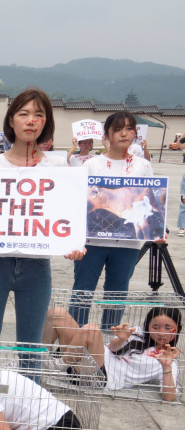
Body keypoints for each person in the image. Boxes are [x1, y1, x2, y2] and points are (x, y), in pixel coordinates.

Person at [0, 89, 84, 347]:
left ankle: (29, 388)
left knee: (31, 349)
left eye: (38, 114)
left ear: (47, 122)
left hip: (37, 268)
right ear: (11, 120)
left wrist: (74, 242)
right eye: (24, 114)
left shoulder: (58, 169)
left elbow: (64, 215)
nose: (31, 120)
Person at [69, 111, 156, 328]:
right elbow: (78, 202)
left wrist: (155, 229)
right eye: (117, 129)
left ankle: (107, 346)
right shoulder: (91, 164)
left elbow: (150, 200)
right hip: (92, 242)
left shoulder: (142, 165)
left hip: (128, 242)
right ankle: (73, 343)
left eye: (129, 128)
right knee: (82, 292)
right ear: (106, 135)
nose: (124, 134)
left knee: (116, 295)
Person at [42, 305, 180, 401]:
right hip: (89, 356)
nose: (161, 332)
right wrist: (121, 339)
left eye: (168, 328)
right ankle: (35, 357)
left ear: (177, 329)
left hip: (98, 376)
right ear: (148, 325)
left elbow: (169, 397)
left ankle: (58, 366)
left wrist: (166, 366)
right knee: (57, 313)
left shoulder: (168, 361)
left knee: (91, 330)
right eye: (155, 327)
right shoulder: (138, 332)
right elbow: (112, 348)